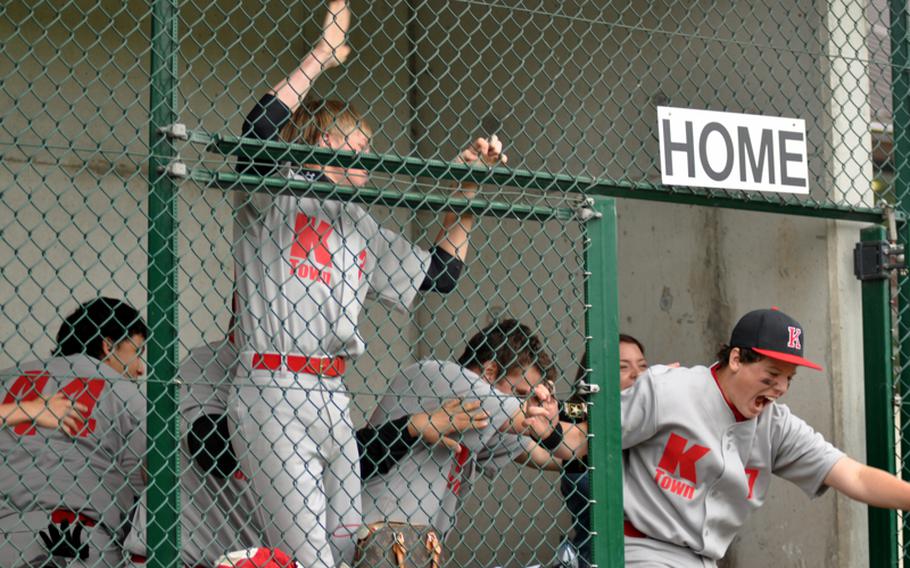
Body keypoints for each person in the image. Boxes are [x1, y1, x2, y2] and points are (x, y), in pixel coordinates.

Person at [229, 1, 506, 566]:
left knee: (346, 547)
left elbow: (441, 273)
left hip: (333, 392)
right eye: (347, 145)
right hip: (272, 382)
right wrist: (322, 56)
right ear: (310, 143)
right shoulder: (278, 192)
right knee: (312, 557)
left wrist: (468, 196)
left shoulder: (360, 223)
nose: (362, 158)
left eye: (365, 149)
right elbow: (256, 134)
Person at [124, 327, 488, 566]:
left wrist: (409, 429)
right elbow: (210, 447)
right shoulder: (209, 362)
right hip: (179, 557)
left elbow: (343, 463)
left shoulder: (315, 376)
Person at [621, 307, 910, 566]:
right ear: (736, 359)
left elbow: (853, 475)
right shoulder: (670, 389)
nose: (781, 387)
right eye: (771, 374)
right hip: (640, 549)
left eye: (789, 377)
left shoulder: (775, 425)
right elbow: (586, 437)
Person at [358, 320, 577, 564]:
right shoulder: (447, 378)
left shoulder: (474, 421)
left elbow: (550, 455)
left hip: (405, 550)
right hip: (366, 542)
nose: (526, 402)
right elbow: (535, 422)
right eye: (521, 393)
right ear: (490, 372)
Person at [0, 297, 147, 567]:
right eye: (137, 351)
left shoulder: (8, 377)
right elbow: (144, 477)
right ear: (108, 346)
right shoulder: (125, 393)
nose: (140, 368)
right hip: (82, 538)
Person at [560, 334, 649, 567]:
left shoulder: (655, 420)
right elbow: (585, 486)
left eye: (643, 367)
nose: (637, 375)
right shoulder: (574, 412)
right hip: (599, 555)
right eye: (622, 367)